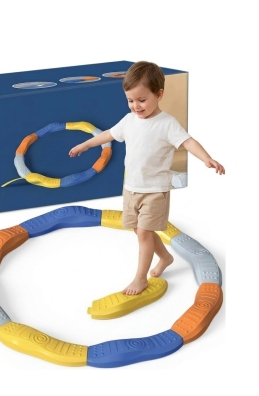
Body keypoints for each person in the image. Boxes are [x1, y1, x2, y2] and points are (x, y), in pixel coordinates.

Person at [69, 61, 225, 295]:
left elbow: (188, 142)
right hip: (131, 188)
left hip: (155, 190)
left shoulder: (167, 124)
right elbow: (109, 134)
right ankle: (165, 258)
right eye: (130, 100)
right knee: (139, 230)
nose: (136, 106)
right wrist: (86, 144)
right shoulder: (129, 120)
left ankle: (140, 279)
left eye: (142, 100)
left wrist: (206, 158)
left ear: (159, 95)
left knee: (144, 233)